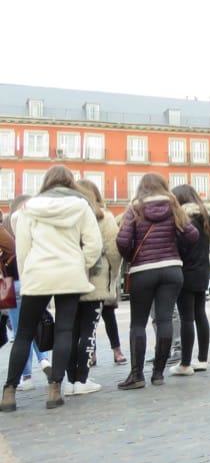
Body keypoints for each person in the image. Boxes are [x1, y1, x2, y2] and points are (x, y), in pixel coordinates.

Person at [2, 166, 102, 412]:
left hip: (37, 273)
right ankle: (55, 388)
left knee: (24, 333)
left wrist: (28, 272)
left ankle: (9, 392)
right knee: (64, 330)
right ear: (71, 183)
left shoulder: (28, 210)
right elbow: (94, 244)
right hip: (69, 272)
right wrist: (82, 264)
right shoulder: (81, 206)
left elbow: (22, 248)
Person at [115, 173, 199, 390]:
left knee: (138, 323)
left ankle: (136, 375)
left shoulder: (135, 208)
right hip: (172, 269)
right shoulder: (173, 206)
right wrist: (177, 249)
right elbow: (192, 235)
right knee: (164, 320)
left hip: (143, 270)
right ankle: (158, 374)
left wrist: (132, 255)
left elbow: (122, 240)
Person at [64, 179, 122, 396]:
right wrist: (112, 275)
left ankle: (69, 381)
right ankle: (82, 379)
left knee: (70, 331)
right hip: (95, 281)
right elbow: (114, 251)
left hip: (68, 280)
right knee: (89, 329)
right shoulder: (104, 218)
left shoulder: (68, 216)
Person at [0, 197, 52, 390]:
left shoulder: (6, 226)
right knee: (34, 326)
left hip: (10, 285)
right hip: (33, 281)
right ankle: (44, 359)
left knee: (20, 332)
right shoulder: (34, 225)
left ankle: (27, 377)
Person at [170, 185, 210, 376]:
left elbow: (181, 247)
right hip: (202, 272)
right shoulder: (206, 217)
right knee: (200, 315)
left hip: (186, 272)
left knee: (186, 318)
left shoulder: (185, 220)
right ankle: (203, 359)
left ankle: (185, 364)